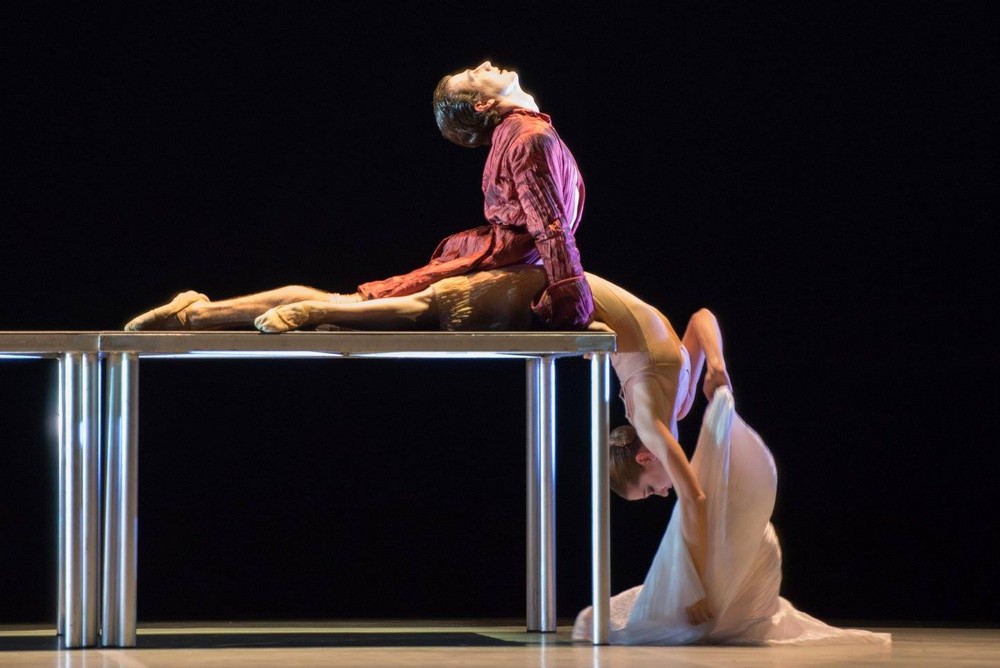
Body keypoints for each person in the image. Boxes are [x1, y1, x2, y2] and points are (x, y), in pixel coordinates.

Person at [122, 267, 889, 646]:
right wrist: (698, 597)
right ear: (640, 461)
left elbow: (702, 317)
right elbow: (696, 501)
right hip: (516, 293)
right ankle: (218, 311)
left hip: (529, 287)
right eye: (648, 491)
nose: (662, 489)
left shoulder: (671, 399)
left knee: (367, 305)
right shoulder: (654, 416)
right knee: (361, 313)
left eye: (649, 494)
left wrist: (716, 364)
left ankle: (203, 311)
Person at [124, 62, 592, 333]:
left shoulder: (521, 134)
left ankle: (196, 313)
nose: (487, 64)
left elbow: (547, 222)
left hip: (500, 257)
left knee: (352, 301)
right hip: (497, 261)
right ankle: (196, 314)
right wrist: (571, 301)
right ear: (482, 104)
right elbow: (549, 226)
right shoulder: (527, 136)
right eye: (475, 73)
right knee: (355, 306)